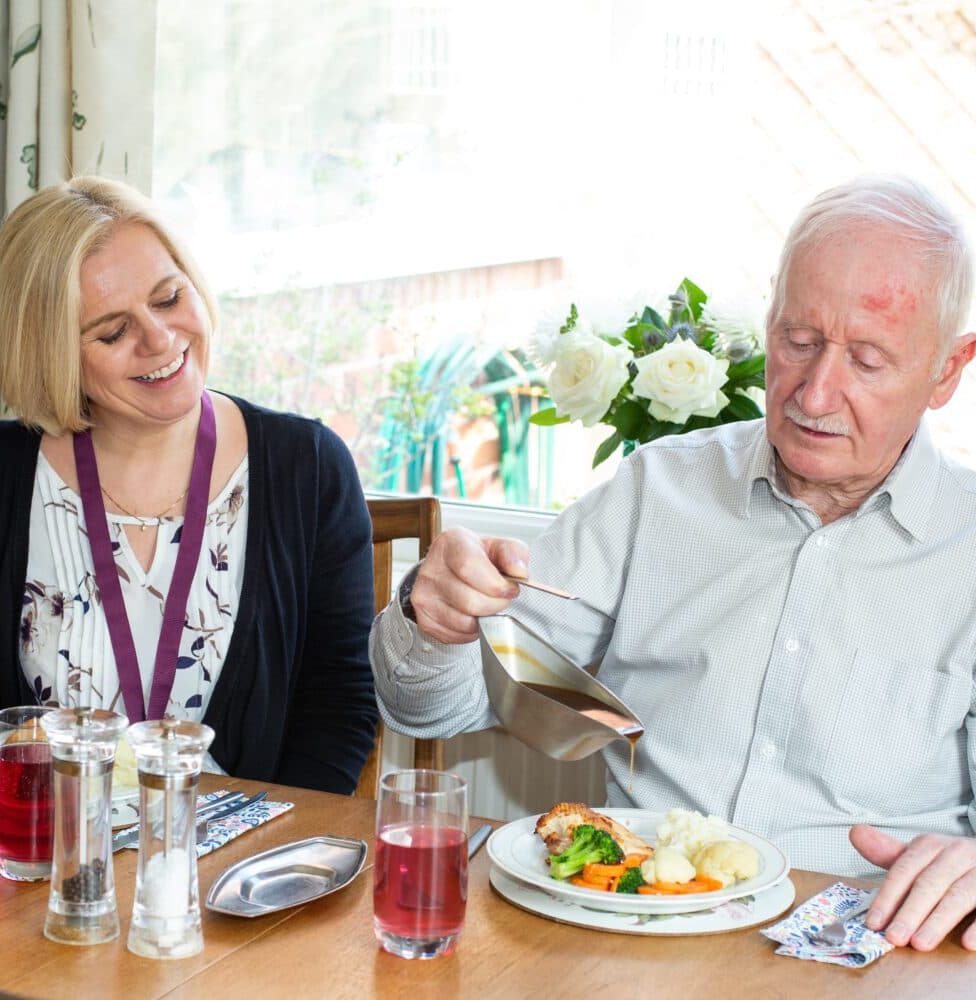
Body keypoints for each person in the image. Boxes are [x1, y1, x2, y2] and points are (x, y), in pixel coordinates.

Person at [370, 174, 976, 949]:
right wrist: (433, 618)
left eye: (867, 359)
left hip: (868, 953)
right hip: (631, 940)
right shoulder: (659, 491)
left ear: (948, 369)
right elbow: (434, 712)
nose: (815, 394)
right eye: (797, 341)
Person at [0, 176, 378, 794]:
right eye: (112, 332)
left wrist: (265, 864)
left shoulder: (310, 467)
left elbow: (339, 707)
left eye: (168, 298)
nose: (161, 340)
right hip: (39, 869)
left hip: (239, 875)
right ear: (51, 352)